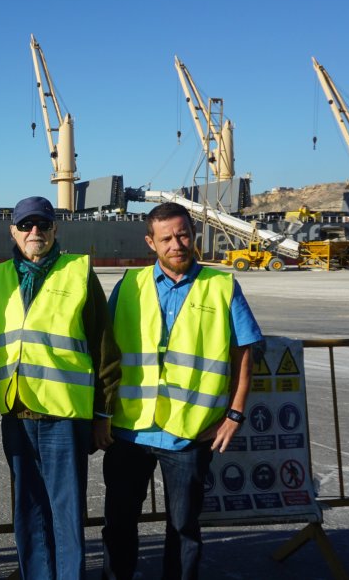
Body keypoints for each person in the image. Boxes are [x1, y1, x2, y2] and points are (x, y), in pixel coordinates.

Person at [102, 202, 261, 580]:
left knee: (184, 528)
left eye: (183, 235)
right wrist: (101, 416)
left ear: (194, 235)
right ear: (151, 243)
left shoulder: (221, 286)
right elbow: (106, 354)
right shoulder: (129, 286)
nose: (177, 244)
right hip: (130, 430)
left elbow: (244, 354)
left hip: (189, 434)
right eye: (167, 238)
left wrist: (234, 416)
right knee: (119, 525)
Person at [0, 196, 122, 580]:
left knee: (65, 512)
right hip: (17, 413)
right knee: (27, 510)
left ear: (55, 229)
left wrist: (103, 414)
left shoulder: (78, 272)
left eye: (42, 225)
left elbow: (103, 345)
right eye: (25, 225)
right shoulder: (0, 275)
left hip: (64, 417)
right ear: (13, 231)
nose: (34, 232)